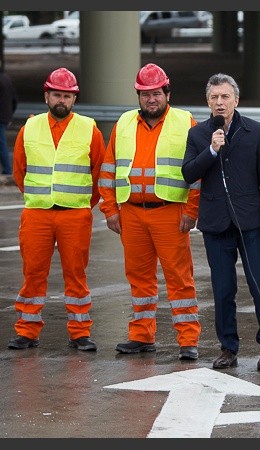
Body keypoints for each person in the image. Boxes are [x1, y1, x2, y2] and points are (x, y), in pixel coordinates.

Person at [99, 63, 201, 361]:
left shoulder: (186, 122)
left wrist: (191, 210)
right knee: (139, 277)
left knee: (179, 277)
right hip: (131, 211)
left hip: (170, 212)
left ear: (167, 93)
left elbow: (196, 174)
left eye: (156, 93)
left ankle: (188, 340)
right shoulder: (125, 123)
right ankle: (141, 335)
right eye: (145, 94)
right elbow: (108, 169)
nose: (151, 99)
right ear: (138, 96)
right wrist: (110, 209)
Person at [182, 73, 260, 371]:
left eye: (225, 97)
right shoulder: (199, 134)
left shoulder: (254, 131)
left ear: (236, 100)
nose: (220, 102)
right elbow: (188, 173)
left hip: (250, 220)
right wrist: (211, 150)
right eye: (214, 97)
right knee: (223, 289)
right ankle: (228, 348)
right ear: (208, 102)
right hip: (215, 224)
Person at [7, 67, 105, 351]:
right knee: (33, 273)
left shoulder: (89, 128)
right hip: (37, 213)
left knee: (76, 274)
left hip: (75, 213)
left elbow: (99, 171)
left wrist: (84, 203)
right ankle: (27, 330)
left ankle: (80, 332)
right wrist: (39, 196)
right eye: (56, 95)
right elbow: (19, 170)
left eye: (67, 95)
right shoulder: (30, 128)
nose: (61, 100)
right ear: (46, 96)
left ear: (74, 99)